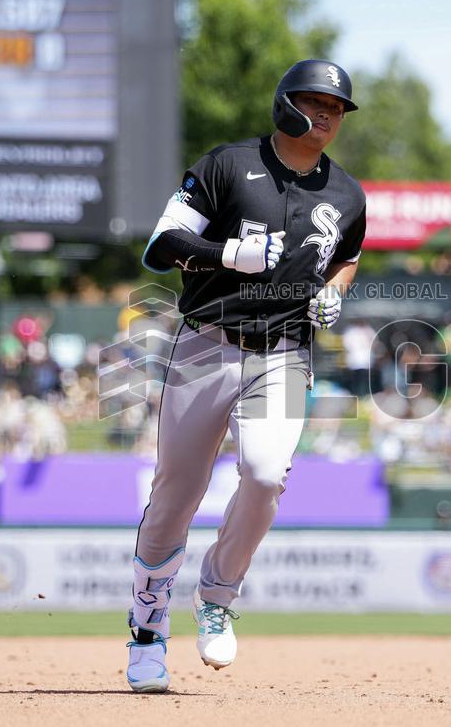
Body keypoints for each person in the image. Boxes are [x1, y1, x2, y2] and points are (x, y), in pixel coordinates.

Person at [127, 59, 365, 693]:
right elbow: (159, 246)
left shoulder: (346, 194)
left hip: (284, 351)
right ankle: (147, 631)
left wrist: (336, 292)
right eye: (315, 102)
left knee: (263, 475)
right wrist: (223, 254)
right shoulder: (228, 165)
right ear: (285, 102)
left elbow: (347, 255)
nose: (326, 115)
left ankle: (217, 595)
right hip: (205, 345)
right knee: (174, 499)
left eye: (337, 108)